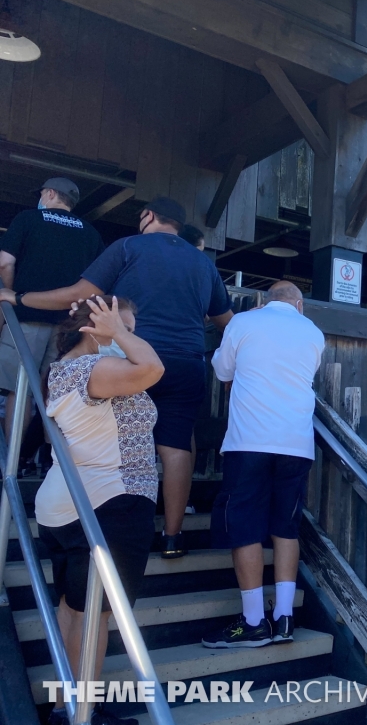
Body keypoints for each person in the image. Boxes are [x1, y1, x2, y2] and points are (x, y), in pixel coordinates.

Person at [0, 197, 234, 558]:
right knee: (176, 446)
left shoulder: (129, 246)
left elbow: (81, 294)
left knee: (115, 432)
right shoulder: (204, 265)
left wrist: (20, 297)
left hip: (134, 358)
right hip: (188, 361)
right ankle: (172, 536)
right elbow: (227, 322)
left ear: (149, 216)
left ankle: (96, 516)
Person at [35, 296, 164, 725]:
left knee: (74, 608)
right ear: (94, 328)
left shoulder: (62, 372)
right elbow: (152, 370)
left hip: (71, 504)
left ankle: (67, 708)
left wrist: (120, 333)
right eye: (117, 327)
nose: (127, 337)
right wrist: (121, 335)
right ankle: (81, 715)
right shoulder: (92, 369)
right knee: (96, 615)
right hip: (112, 502)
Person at [202, 281, 324, 648]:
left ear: (266, 302)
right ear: (299, 305)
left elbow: (223, 371)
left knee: (245, 527)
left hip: (249, 441)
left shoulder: (243, 322)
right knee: (286, 527)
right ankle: (284, 617)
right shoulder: (314, 333)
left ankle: (254, 621)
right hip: (297, 444)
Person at [0, 178, 105, 442]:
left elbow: (5, 263)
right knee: (55, 393)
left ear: (48, 194)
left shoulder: (28, 219)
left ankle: (13, 462)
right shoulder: (91, 234)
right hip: (68, 327)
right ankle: (52, 464)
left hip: (26, 320)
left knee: (20, 390)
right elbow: (97, 284)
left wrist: (13, 297)